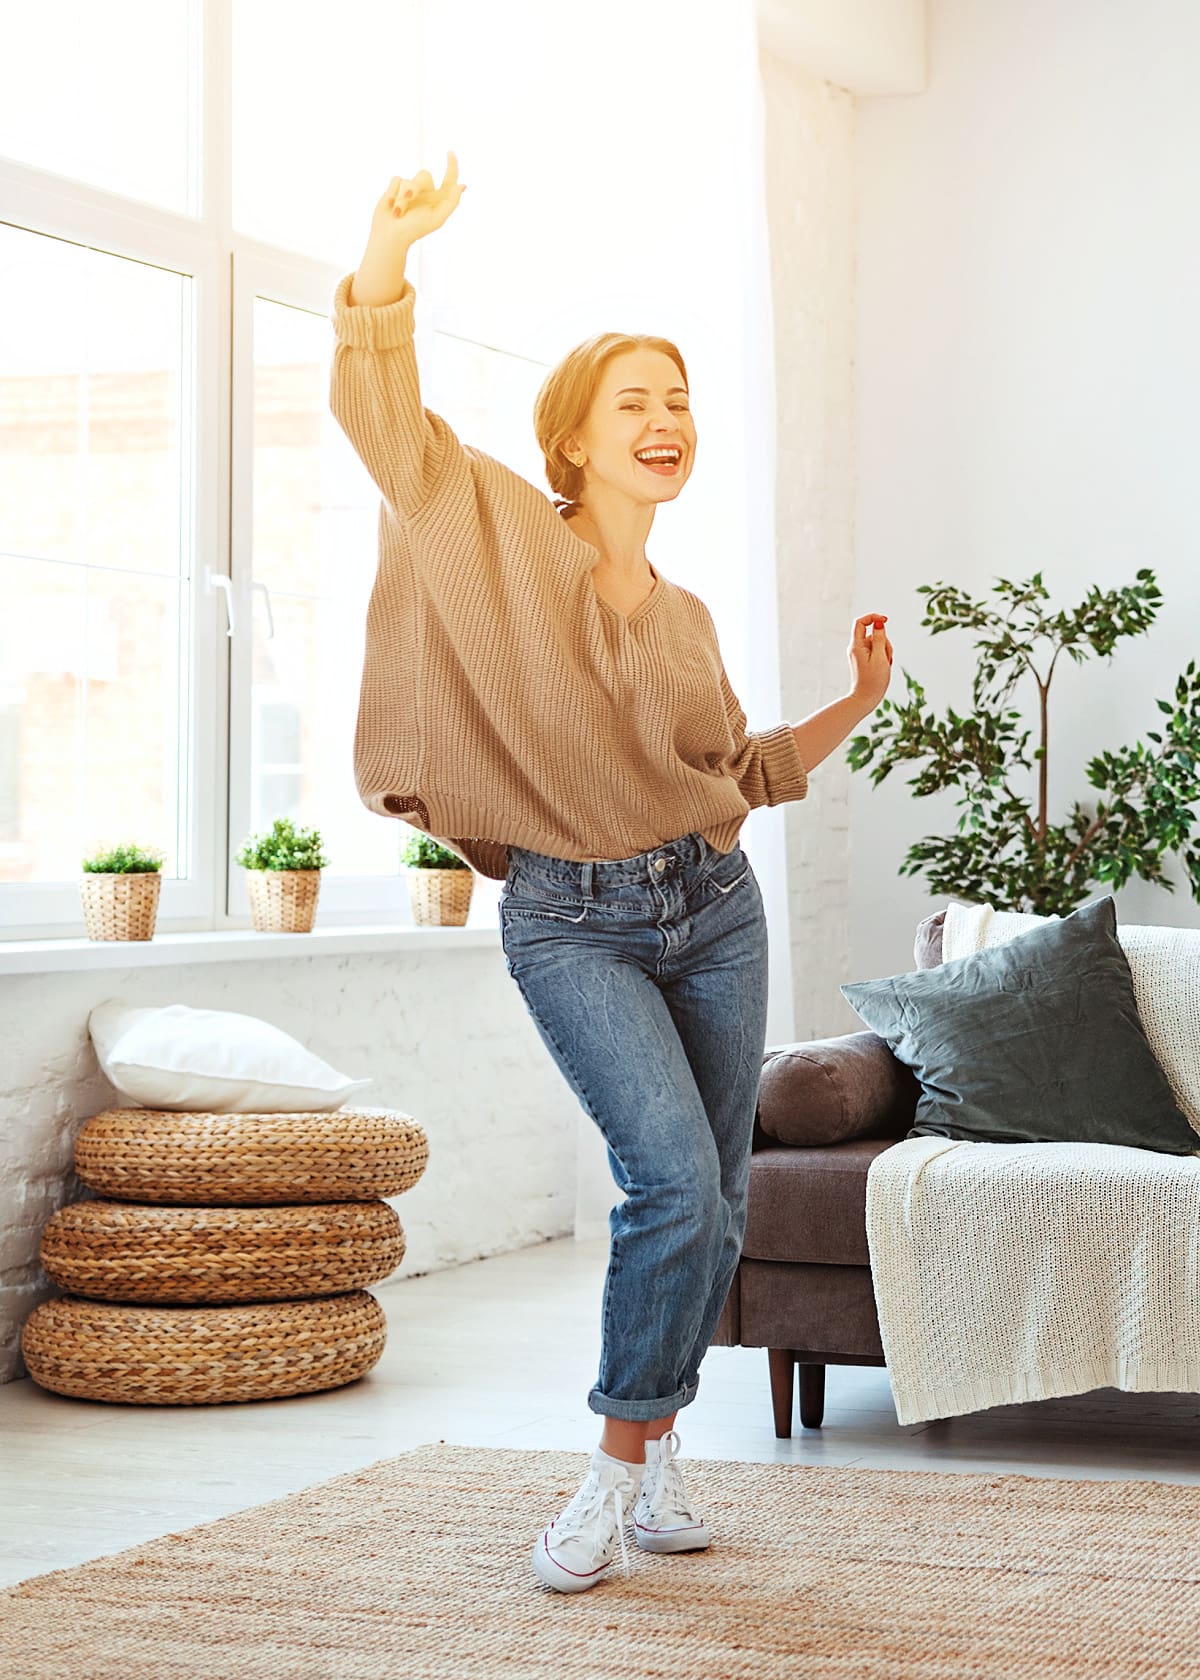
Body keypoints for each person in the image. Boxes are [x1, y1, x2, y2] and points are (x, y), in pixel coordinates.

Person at [333, 152, 894, 1594]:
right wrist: (391, 254)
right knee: (667, 1182)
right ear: (571, 441)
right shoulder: (501, 535)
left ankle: (652, 1460)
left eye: (682, 400)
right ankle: (610, 1470)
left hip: (710, 908)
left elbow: (739, 770)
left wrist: (853, 705)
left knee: (722, 1196)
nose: (670, 421)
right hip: (573, 918)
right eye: (636, 400)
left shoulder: (693, 614)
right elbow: (389, 427)